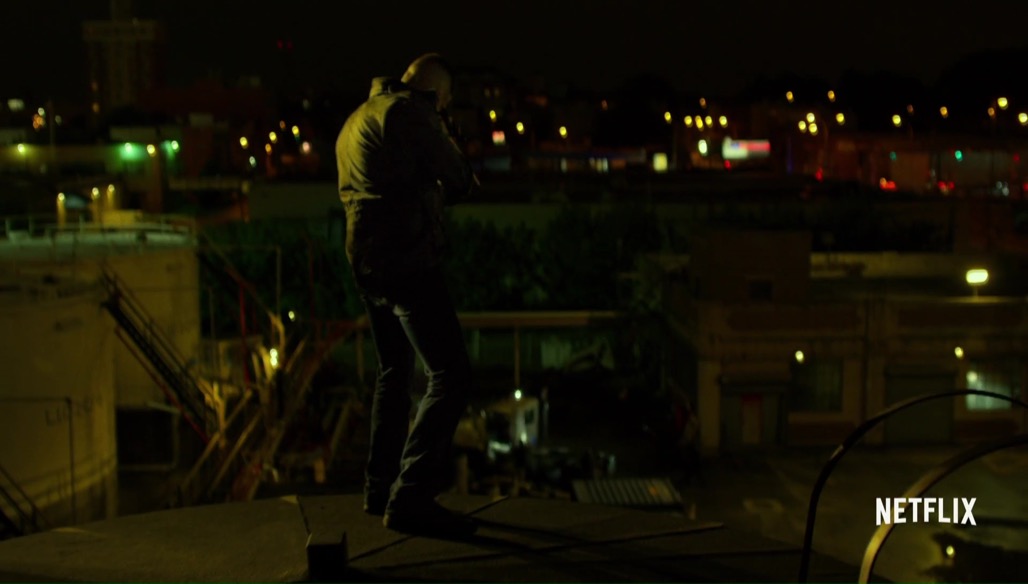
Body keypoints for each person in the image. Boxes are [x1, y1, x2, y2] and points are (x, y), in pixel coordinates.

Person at [335, 53, 479, 537]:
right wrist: (447, 134)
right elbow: (459, 179)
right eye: (445, 104)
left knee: (394, 372)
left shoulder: (357, 118)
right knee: (451, 374)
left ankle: (378, 488)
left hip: (366, 262)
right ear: (437, 95)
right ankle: (411, 496)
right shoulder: (410, 113)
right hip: (407, 258)